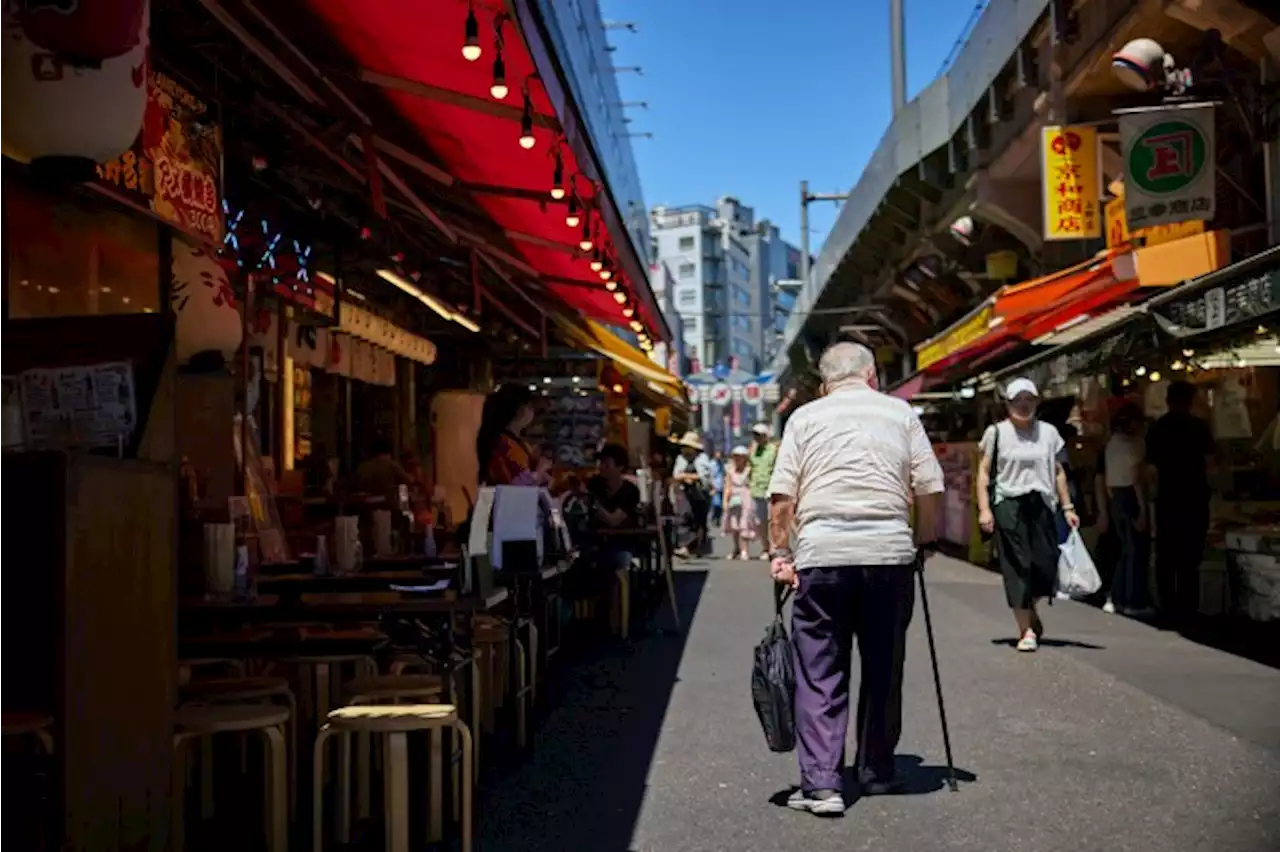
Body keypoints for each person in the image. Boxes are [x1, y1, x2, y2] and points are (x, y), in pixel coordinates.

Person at [767, 342, 943, 816]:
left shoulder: (804, 417)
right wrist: (923, 541)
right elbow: (929, 486)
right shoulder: (900, 413)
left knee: (819, 668)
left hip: (822, 555)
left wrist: (782, 553)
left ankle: (823, 785)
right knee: (884, 665)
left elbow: (783, 496)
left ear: (825, 384)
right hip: (888, 554)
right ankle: (877, 770)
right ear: (872, 375)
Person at [976, 378, 1079, 653]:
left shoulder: (1048, 433)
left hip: (1042, 504)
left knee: (1044, 564)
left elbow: (1058, 471)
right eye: (1017, 400)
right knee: (1017, 565)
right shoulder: (996, 433)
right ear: (1008, 404)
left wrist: (1067, 507)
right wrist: (985, 509)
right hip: (1009, 503)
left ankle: (1030, 609)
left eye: (1029, 400)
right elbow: (984, 472)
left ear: (1036, 402)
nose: (1023, 405)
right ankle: (1026, 630)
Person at [1146, 381, 1215, 625]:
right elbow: (1210, 464)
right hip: (1195, 497)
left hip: (1168, 498)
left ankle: (1167, 608)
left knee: (1166, 556)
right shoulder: (1200, 427)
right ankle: (1188, 609)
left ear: (1168, 400)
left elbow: (1151, 470)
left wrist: (1152, 498)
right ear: (1191, 400)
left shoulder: (1158, 428)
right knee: (1190, 557)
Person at [1103, 402, 1154, 617]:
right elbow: (1136, 479)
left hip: (1116, 495)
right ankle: (1135, 600)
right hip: (1131, 496)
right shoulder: (1135, 445)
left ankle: (1117, 597)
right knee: (1137, 550)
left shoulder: (1111, 444)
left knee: (1125, 549)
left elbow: (1107, 479)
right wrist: (1143, 510)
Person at [476, 383, 551, 487]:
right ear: (519, 410)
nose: (533, 412)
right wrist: (540, 469)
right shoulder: (505, 443)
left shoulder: (511, 441)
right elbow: (521, 486)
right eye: (529, 407)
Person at [587, 443, 643, 575]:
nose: (601, 467)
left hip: (622, 542)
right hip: (595, 541)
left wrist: (591, 502)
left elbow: (613, 520)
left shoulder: (630, 491)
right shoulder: (594, 484)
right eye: (600, 463)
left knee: (620, 559)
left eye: (606, 464)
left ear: (620, 467)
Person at [672, 432, 713, 558]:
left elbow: (704, 477)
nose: (685, 450)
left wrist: (687, 476)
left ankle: (698, 547)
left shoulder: (702, 459)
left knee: (700, 521)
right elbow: (676, 475)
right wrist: (685, 477)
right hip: (686, 493)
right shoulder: (681, 459)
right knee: (684, 516)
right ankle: (685, 546)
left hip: (701, 494)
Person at [748, 423, 779, 560]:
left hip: (771, 489)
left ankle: (774, 547)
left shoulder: (773, 450)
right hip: (756, 490)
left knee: (772, 520)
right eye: (755, 435)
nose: (757, 438)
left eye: (759, 435)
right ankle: (765, 547)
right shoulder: (753, 450)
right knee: (760, 522)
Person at [353, 436, 412, 504]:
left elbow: (357, 487)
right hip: (389, 505)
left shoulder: (363, 467)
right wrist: (404, 506)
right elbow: (405, 483)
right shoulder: (393, 466)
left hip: (367, 505)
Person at [722, 445, 757, 559]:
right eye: (735, 457)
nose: (737, 459)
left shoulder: (749, 470)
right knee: (734, 525)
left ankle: (745, 550)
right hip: (734, 498)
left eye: (740, 457)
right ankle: (736, 548)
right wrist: (725, 501)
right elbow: (727, 486)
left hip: (746, 498)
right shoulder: (730, 471)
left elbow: (753, 484)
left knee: (745, 524)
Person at [709, 447, 726, 528]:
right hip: (715, 486)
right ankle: (714, 518)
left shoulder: (722, 464)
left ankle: (718, 519)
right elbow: (710, 476)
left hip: (721, 486)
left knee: (720, 505)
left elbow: (724, 475)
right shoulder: (711, 464)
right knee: (716, 504)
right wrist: (712, 487)